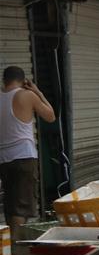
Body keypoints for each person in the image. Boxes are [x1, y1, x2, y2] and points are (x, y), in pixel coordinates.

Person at [0, 66, 55, 240]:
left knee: (10, 204)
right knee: (21, 206)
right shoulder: (27, 95)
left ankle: (9, 244)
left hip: (4, 159)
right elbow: (50, 116)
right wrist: (38, 92)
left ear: (4, 80)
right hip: (24, 157)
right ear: (24, 81)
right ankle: (15, 246)